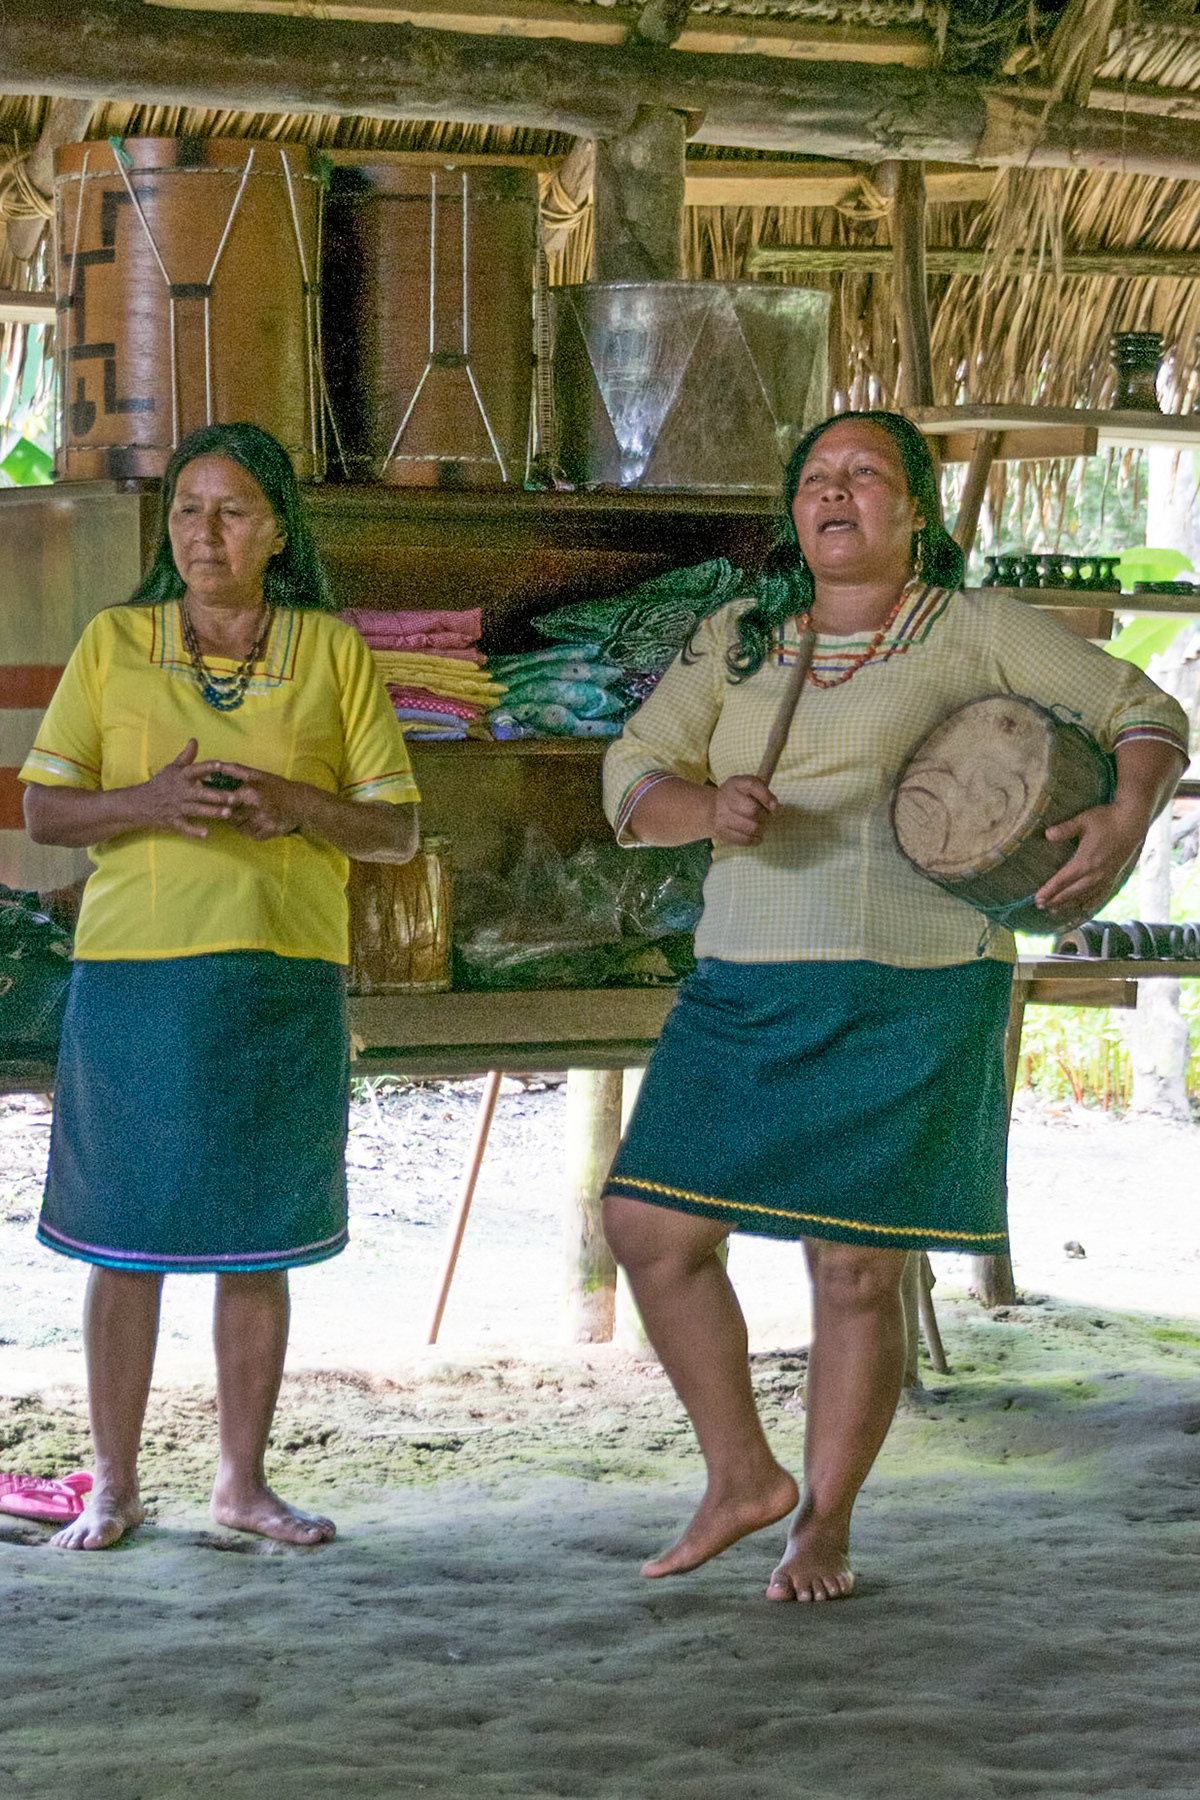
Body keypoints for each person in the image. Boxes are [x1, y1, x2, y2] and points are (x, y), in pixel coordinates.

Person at [601, 410, 1189, 1602]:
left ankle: (823, 1525)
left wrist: (1123, 819)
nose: (838, 493)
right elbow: (633, 770)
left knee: (857, 1273)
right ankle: (739, 1476)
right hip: (747, 984)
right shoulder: (741, 637)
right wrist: (703, 811)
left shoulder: (973, 629)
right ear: (793, 510)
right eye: (817, 476)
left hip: (918, 988)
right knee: (649, 1228)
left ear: (914, 511)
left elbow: (1146, 709)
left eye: (868, 475)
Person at [21, 421, 420, 1551]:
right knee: (123, 1239)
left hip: (279, 974)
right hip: (137, 977)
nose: (206, 532)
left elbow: (394, 831)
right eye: (188, 511)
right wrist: (147, 803)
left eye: (232, 511)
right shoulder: (116, 642)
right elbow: (46, 809)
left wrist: (298, 803)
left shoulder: (330, 652)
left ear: (278, 532)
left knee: (258, 1239)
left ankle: (241, 1485)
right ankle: (114, 1484)